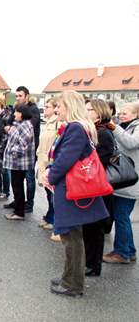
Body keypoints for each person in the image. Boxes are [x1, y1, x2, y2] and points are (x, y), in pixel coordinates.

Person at [44, 90, 109, 297]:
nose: (56, 110)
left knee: (71, 237)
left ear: (69, 107)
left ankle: (73, 284)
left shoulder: (75, 129)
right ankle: (69, 277)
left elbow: (65, 160)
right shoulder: (78, 128)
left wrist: (50, 176)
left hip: (70, 190)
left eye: (59, 106)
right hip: (71, 189)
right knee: (71, 236)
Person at [81, 99, 115, 276]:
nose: (86, 112)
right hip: (91, 186)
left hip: (98, 187)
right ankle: (89, 262)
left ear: (99, 113)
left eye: (90, 109)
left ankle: (94, 266)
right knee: (88, 227)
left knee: (95, 228)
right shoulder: (93, 131)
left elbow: (99, 163)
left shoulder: (103, 134)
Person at [104, 102, 139, 264]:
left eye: (126, 112)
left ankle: (121, 253)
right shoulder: (126, 126)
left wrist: (114, 128)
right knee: (121, 216)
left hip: (129, 181)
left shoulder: (135, 128)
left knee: (121, 217)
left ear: (136, 115)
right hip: (123, 181)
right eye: (121, 112)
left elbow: (131, 143)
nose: (121, 115)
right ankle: (129, 250)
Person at [6, 86, 40, 213]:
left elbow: (30, 126)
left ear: (27, 96)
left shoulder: (33, 109)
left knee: (29, 178)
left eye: (20, 96)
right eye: (16, 96)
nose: (18, 98)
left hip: (29, 150)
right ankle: (18, 201)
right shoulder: (16, 108)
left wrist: (13, 129)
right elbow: (8, 124)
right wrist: (9, 128)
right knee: (17, 181)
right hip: (17, 150)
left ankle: (29, 204)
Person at [3, 104, 35, 220]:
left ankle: (19, 213)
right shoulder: (19, 124)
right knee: (17, 186)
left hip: (19, 162)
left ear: (21, 114)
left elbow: (22, 145)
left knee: (18, 187)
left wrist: (12, 152)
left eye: (16, 112)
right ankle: (17, 209)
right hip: (17, 162)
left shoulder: (25, 126)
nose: (14, 114)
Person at [36, 98, 61, 233]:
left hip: (49, 162)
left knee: (53, 194)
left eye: (48, 106)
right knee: (48, 193)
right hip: (43, 161)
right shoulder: (48, 123)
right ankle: (50, 216)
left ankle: (54, 220)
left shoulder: (58, 123)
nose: (44, 109)